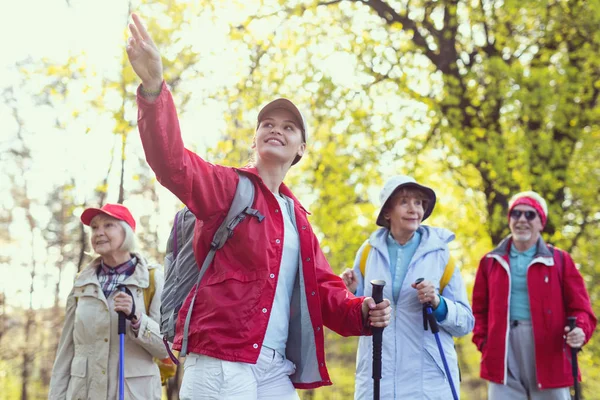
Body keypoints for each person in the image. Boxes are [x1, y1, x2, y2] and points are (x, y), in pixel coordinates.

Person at [125, 13, 392, 400]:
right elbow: (173, 164)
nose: (275, 129)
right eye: (267, 123)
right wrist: (153, 88)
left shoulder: (298, 220)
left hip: (273, 369)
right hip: (220, 363)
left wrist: (362, 311)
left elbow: (323, 289)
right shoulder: (228, 187)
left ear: (300, 149)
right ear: (254, 140)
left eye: (288, 127)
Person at [341, 175, 474, 399]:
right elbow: (354, 317)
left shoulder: (441, 254)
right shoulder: (367, 252)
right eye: (404, 202)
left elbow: (466, 323)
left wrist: (438, 303)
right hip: (377, 381)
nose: (414, 209)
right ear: (387, 212)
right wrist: (351, 292)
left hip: (428, 384)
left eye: (419, 203)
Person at [472, 190, 597, 400]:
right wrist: (484, 343)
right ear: (509, 220)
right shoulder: (490, 262)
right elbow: (478, 310)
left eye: (530, 215)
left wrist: (580, 331)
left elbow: (582, 309)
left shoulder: (560, 260)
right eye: (516, 214)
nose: (522, 220)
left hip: (550, 352)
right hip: (502, 351)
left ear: (541, 222)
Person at [48, 203, 169, 400]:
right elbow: (65, 352)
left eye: (108, 225)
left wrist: (138, 319)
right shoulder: (81, 283)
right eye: (94, 227)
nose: (98, 232)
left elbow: (167, 348)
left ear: (127, 232)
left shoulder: (153, 279)